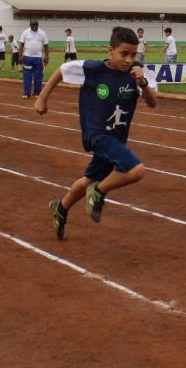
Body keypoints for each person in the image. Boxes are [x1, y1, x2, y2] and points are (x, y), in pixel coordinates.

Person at [40, 27, 157, 240]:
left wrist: (143, 83)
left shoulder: (138, 72)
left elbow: (152, 103)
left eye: (133, 54)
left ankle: (61, 208)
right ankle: (99, 192)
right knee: (136, 170)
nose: (129, 60)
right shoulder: (92, 69)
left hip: (116, 138)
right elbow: (62, 70)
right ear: (110, 50)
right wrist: (42, 98)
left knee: (88, 179)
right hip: (97, 135)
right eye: (124, 54)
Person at [20, 20, 50, 99]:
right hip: (27, 57)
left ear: (38, 24)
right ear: (30, 25)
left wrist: (46, 56)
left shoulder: (42, 33)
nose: (35, 26)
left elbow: (46, 45)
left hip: (38, 58)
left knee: (38, 76)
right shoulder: (25, 32)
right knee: (27, 76)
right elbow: (21, 45)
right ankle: (26, 93)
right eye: (33, 24)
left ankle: (37, 93)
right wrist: (20, 56)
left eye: (36, 24)